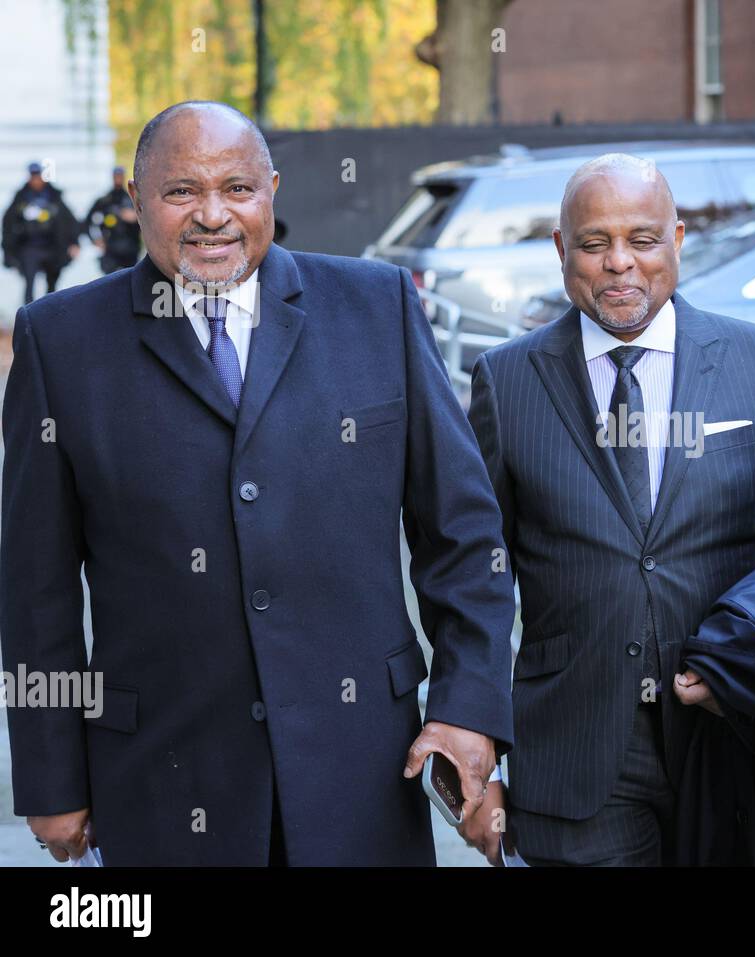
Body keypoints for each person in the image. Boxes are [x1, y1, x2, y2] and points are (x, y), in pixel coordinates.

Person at [1, 101, 515, 866]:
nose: (213, 215)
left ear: (272, 190)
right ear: (137, 201)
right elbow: (34, 587)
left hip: (362, 778)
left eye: (238, 187)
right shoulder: (61, 339)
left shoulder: (378, 308)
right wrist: (49, 776)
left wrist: (468, 709)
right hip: (162, 784)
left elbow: (465, 539)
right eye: (180, 192)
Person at [457, 154, 755, 865]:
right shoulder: (506, 381)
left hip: (731, 730)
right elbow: (476, 578)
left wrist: (742, 651)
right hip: (575, 752)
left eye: (643, 239)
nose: (620, 263)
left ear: (677, 239)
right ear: (563, 251)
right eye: (594, 243)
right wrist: (480, 758)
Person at [2, 162, 81, 303]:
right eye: (33, 176)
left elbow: (69, 220)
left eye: (38, 176)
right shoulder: (21, 197)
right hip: (29, 247)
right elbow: (8, 222)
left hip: (51, 247)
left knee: (52, 285)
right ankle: (28, 318)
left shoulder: (54, 196)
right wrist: (9, 250)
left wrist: (74, 242)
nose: (36, 180)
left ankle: (49, 316)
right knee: (29, 284)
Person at [83, 166, 141, 273]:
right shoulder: (105, 201)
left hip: (130, 249)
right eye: (116, 176)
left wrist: (136, 217)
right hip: (111, 249)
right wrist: (95, 240)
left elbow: (149, 220)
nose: (118, 178)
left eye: (120, 176)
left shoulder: (132, 199)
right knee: (110, 283)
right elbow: (86, 222)